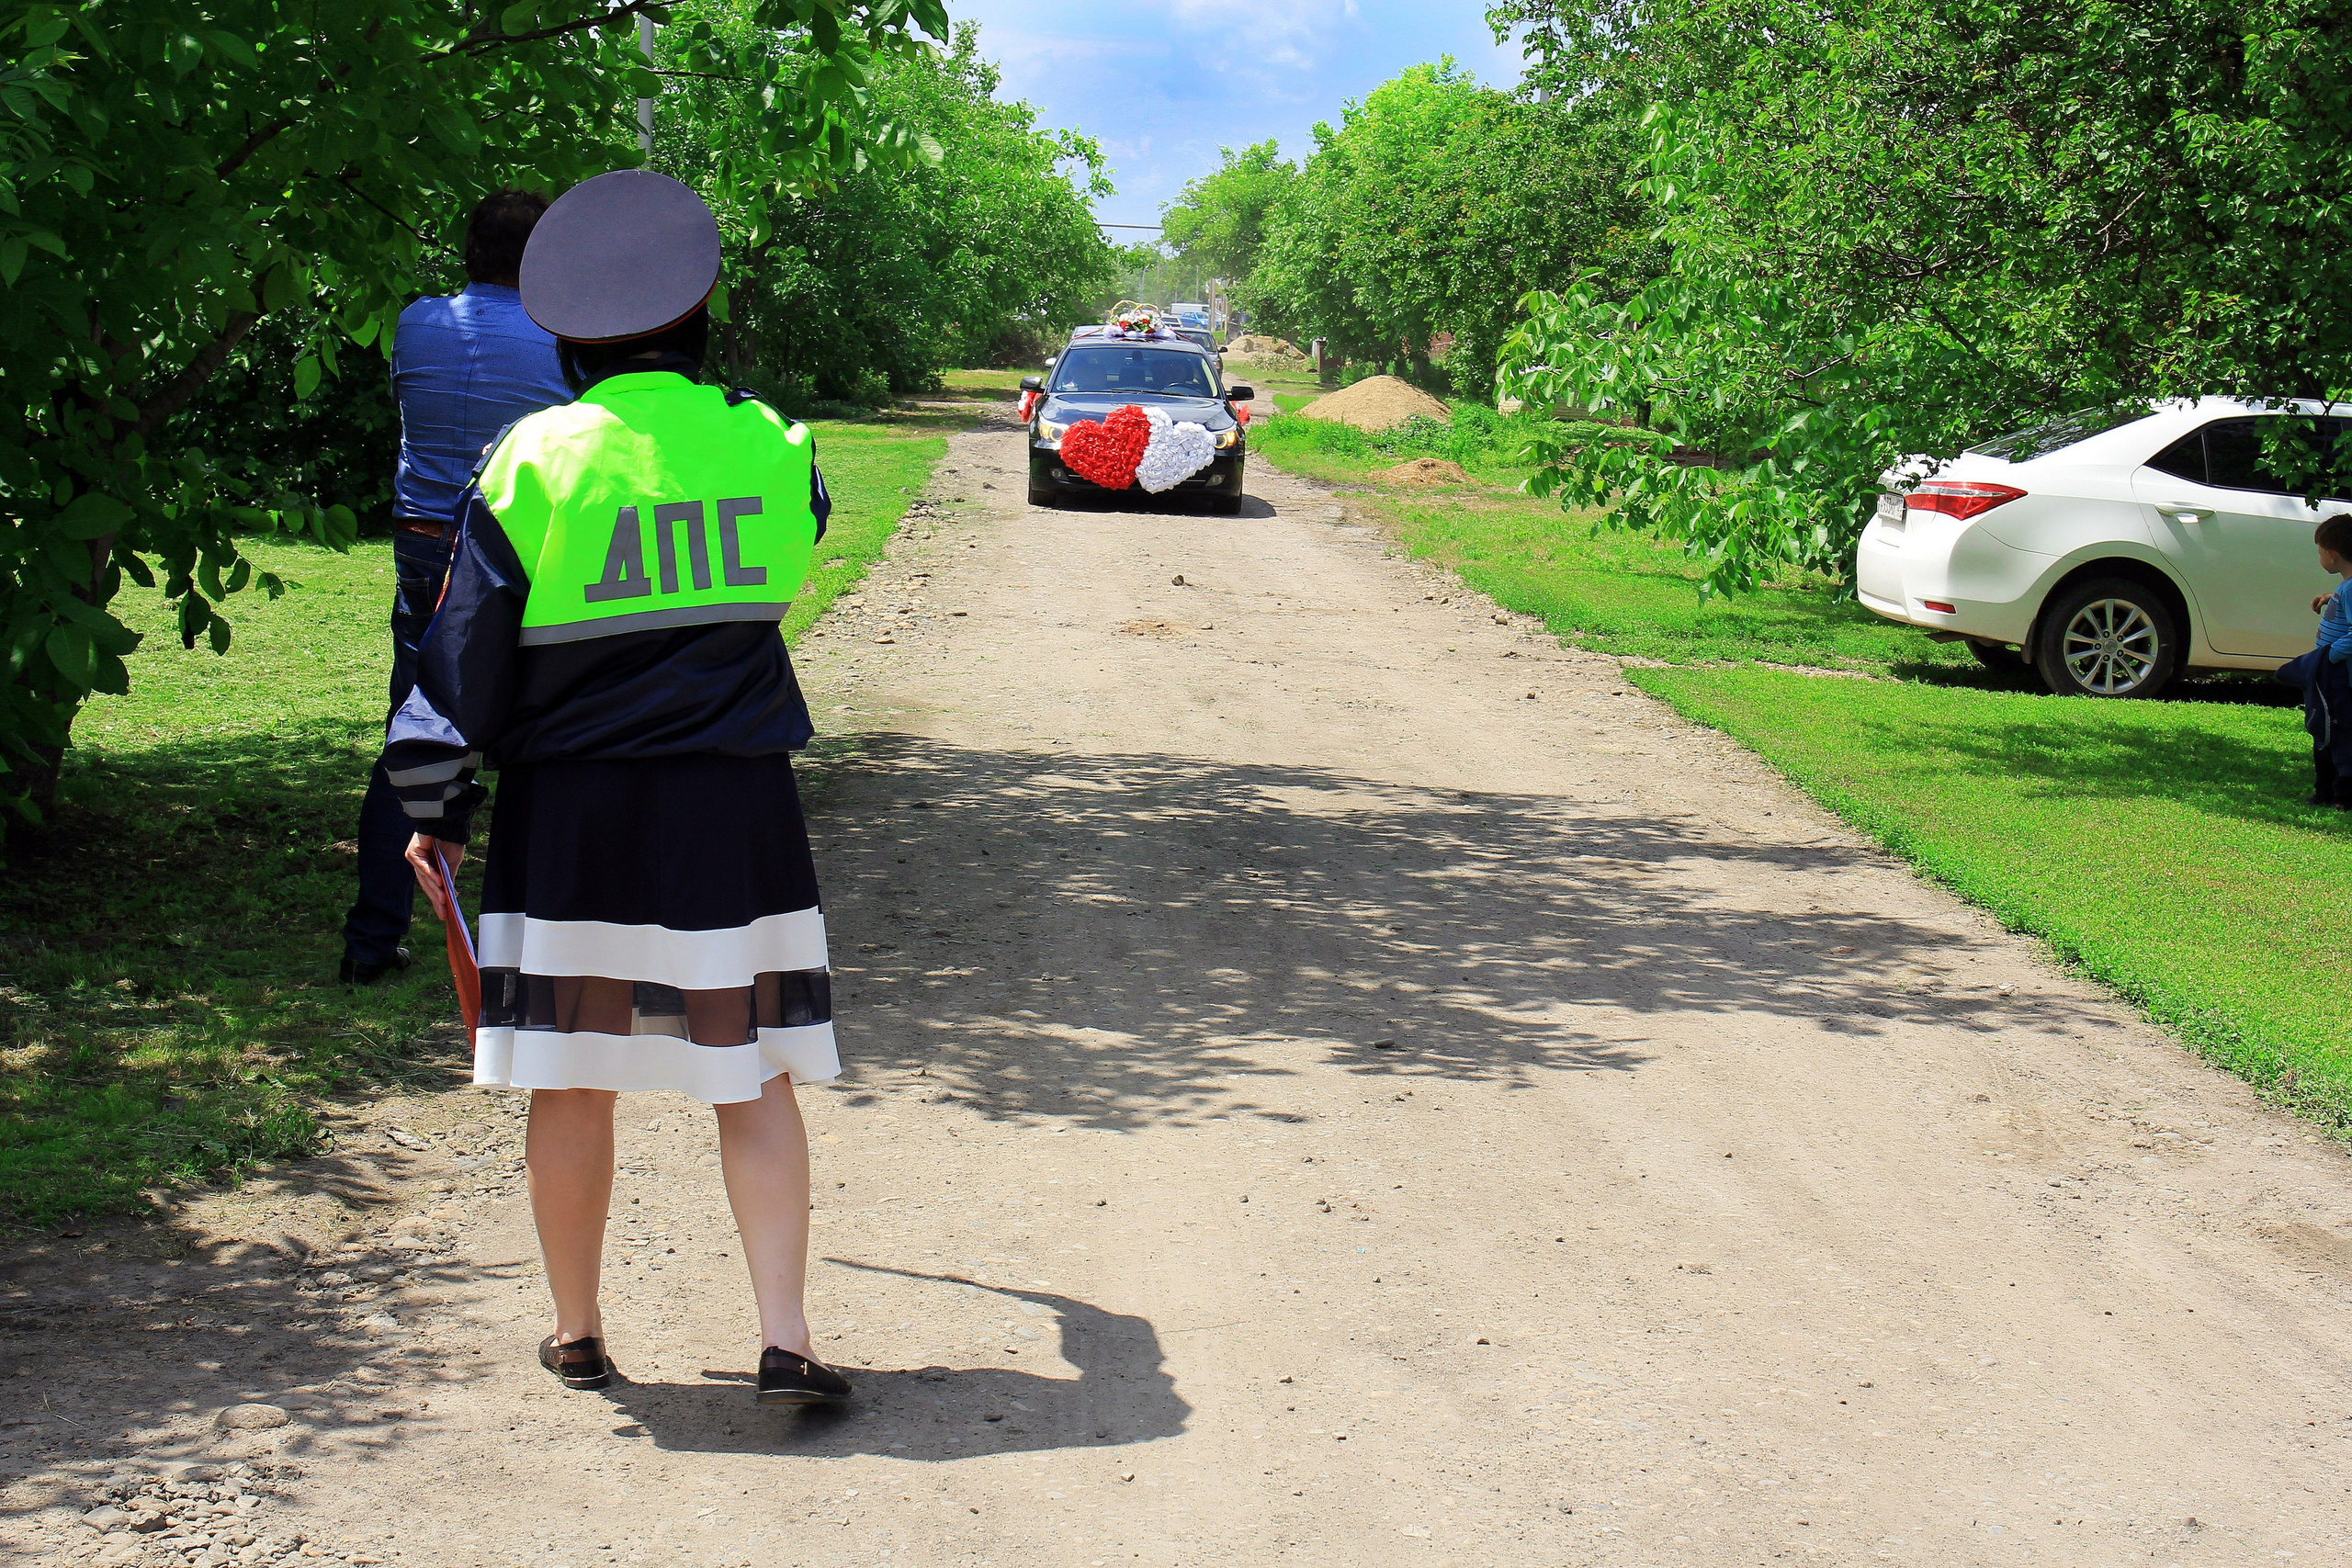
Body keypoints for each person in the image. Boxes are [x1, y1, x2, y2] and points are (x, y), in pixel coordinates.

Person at [378, 169, 850, 1406]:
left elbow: (459, 659)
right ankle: (786, 1334)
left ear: (570, 336)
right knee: (750, 1070)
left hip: (574, 813)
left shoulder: (533, 459)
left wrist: (429, 806)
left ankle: (578, 1330)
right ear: (700, 319)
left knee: (571, 1071)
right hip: (731, 810)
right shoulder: (775, 444)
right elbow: (793, 534)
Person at [339, 189, 572, 985]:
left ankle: (373, 937)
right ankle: (535, 932)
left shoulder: (416, 322)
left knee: (414, 724)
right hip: (508, 541)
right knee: (537, 728)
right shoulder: (561, 341)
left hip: (421, 540)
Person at [2278, 513, 2352, 808]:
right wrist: (2330, 598)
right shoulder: (2346, 586)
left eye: (2320, 552)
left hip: (2340, 678)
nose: (2319, 557)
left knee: (2336, 736)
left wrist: (2328, 656)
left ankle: (2339, 796)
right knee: (2325, 730)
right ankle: (2327, 792)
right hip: (2332, 674)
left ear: (2332, 556)